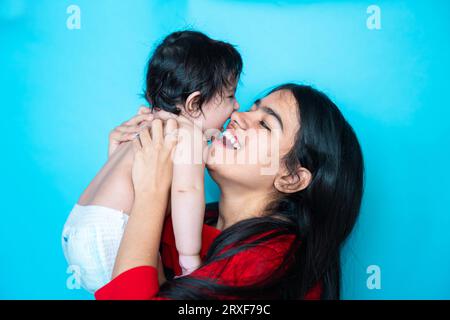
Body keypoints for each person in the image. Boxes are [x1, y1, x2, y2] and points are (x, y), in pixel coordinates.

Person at [96, 84, 364, 300]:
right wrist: (122, 172)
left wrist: (148, 194)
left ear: (291, 178)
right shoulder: (192, 220)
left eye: (266, 124)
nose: (237, 115)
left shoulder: (270, 262)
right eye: (251, 109)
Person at [61, 30, 242, 292]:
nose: (236, 106)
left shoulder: (145, 125)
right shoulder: (187, 133)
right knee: (145, 291)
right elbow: (186, 191)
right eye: (229, 96)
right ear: (194, 104)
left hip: (78, 223)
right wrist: (190, 261)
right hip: (111, 231)